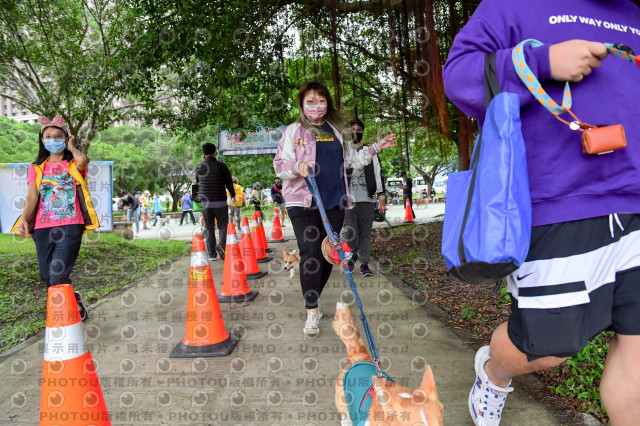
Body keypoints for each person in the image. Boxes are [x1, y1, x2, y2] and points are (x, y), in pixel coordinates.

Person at [442, 1, 640, 425]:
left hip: (637, 201)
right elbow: (458, 77)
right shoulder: (511, 5)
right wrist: (541, 60)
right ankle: (494, 372)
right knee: (547, 348)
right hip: (557, 205)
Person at [273, 81, 396, 335]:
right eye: (310, 101)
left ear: (327, 104)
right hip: (303, 201)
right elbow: (279, 166)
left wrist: (376, 147)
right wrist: (298, 167)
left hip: (335, 201)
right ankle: (312, 311)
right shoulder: (293, 131)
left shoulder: (336, 131)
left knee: (329, 254)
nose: (316, 106)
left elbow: (353, 160)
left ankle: (313, 296)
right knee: (309, 253)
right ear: (302, 104)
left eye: (321, 101)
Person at [13, 115, 99, 322]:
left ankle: (66, 316)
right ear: (43, 141)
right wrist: (24, 218)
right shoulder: (36, 168)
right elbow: (32, 196)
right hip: (43, 227)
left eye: (58, 136)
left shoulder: (73, 163)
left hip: (70, 224)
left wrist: (72, 146)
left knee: (58, 275)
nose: (53, 139)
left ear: (66, 138)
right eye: (49, 136)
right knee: (46, 276)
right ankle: (73, 298)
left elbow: (83, 160)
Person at [340, 118, 386, 277]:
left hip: (367, 200)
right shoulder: (343, 152)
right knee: (349, 232)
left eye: (359, 130)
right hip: (348, 201)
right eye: (352, 129)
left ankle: (364, 263)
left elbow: (378, 175)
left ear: (362, 132)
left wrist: (381, 196)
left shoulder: (370, 151)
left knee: (365, 233)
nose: (355, 132)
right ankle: (351, 258)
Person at [195, 142, 235, 261]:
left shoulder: (198, 166)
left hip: (205, 203)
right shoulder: (221, 166)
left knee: (209, 227)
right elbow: (229, 182)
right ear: (215, 152)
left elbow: (198, 181)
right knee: (223, 225)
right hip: (220, 202)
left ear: (203, 154)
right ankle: (222, 246)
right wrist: (233, 194)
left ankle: (212, 254)